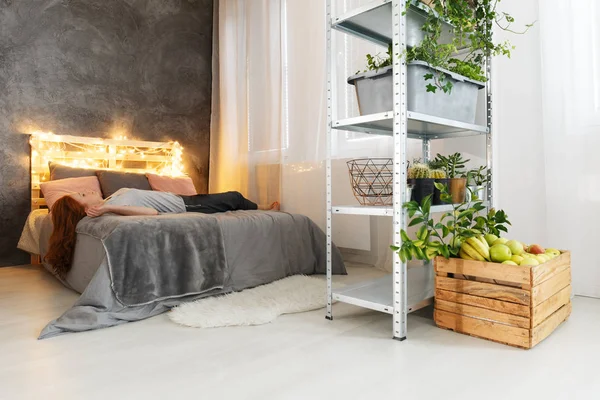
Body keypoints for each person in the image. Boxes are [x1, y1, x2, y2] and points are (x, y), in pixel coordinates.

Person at [45, 188, 280, 278]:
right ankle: (264, 209)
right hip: (185, 207)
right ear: (89, 209)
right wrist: (108, 207)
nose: (88, 191)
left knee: (231, 197)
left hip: (181, 197)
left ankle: (260, 206)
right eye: (84, 196)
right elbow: (151, 211)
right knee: (234, 198)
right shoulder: (112, 208)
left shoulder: (111, 200)